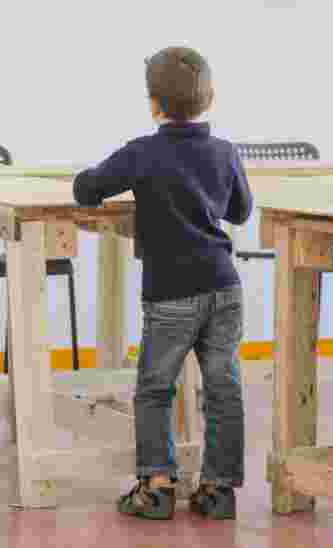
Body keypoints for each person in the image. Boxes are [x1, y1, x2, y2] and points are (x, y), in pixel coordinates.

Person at [73, 46, 253, 520]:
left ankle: (156, 487)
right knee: (224, 387)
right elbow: (240, 211)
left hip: (172, 293)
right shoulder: (225, 152)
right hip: (224, 288)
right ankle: (218, 490)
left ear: (154, 104)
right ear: (209, 98)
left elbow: (87, 190)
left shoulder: (142, 153)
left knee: (156, 388)